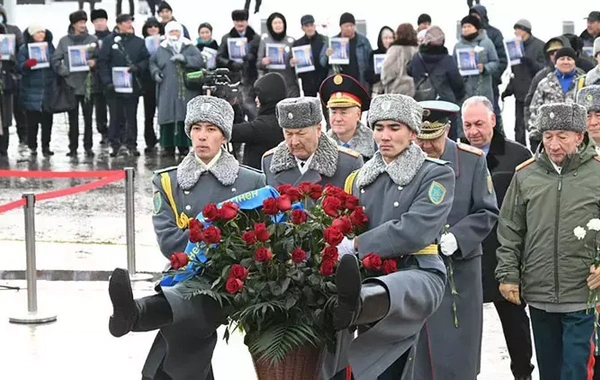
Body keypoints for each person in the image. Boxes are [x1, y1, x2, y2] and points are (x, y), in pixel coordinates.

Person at [108, 96, 266, 380]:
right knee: (187, 318)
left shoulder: (250, 181)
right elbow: (169, 243)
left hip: (232, 279)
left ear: (225, 136)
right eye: (196, 128)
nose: (202, 136)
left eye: (211, 129)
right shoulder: (169, 181)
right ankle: (135, 316)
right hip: (183, 274)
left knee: (191, 302)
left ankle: (136, 313)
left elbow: (256, 238)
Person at [334, 94, 456, 379]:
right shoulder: (358, 179)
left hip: (417, 271)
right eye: (379, 128)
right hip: (369, 271)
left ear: (413, 132)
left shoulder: (435, 174)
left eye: (394, 127)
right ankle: (353, 302)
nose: (384, 136)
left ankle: (356, 302)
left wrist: (356, 245)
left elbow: (414, 231)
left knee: (390, 288)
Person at [496, 102, 600, 380]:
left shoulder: (597, 173)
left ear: (580, 136)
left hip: (583, 296)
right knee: (550, 371)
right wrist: (508, 274)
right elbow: (510, 229)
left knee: (576, 370)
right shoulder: (526, 174)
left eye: (562, 136)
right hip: (539, 294)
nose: (554, 144)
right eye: (547, 136)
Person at [413, 100, 499, 380]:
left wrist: (459, 237)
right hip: (420, 270)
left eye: (433, 139)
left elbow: (487, 210)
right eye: (421, 139)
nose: (426, 146)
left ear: (447, 130)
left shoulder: (472, 160)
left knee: (457, 353)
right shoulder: (410, 160)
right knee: (422, 358)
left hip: (459, 272)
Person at [461, 96, 534, 380]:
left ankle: (523, 373)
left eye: (479, 123)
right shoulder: (456, 154)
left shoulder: (518, 155)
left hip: (507, 253)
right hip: (469, 251)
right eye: (467, 125)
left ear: (493, 120)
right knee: (465, 326)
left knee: (515, 321)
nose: (473, 131)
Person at [262, 96, 363, 189]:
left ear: (318, 129)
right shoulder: (269, 162)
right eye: (288, 134)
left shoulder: (348, 163)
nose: (295, 142)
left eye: (301, 134)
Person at [97, 13, 150, 158]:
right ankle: (115, 144)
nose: (129, 25)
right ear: (119, 24)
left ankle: (131, 144)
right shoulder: (109, 41)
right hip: (113, 87)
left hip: (132, 86)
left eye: (130, 22)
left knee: (131, 116)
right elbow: (102, 62)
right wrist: (107, 81)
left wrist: (138, 67)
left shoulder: (139, 41)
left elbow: (146, 59)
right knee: (115, 116)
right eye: (126, 22)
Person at [150, 21, 203, 158]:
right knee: (167, 114)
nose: (174, 34)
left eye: (176, 31)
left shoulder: (189, 46)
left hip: (186, 88)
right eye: (171, 32)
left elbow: (199, 60)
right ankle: (168, 146)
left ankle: (184, 145)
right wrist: (155, 72)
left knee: (184, 115)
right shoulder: (162, 48)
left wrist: (185, 59)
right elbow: (153, 63)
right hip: (167, 87)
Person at [52, 10, 99, 158]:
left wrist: (94, 63)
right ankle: (73, 147)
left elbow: (101, 58)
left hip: (87, 85)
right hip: (70, 85)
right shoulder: (64, 41)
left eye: (84, 22)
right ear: (73, 24)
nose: (82, 25)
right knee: (73, 119)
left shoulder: (92, 39)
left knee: (88, 118)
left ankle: (88, 146)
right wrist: (63, 70)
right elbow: (55, 59)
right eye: (80, 22)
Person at [408, 26, 465, 140]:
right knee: (447, 139)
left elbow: (409, 71)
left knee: (422, 138)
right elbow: (458, 83)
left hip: (422, 104)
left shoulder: (417, 58)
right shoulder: (448, 60)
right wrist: (458, 96)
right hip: (445, 106)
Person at [528, 47, 586, 150]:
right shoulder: (544, 83)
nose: (565, 62)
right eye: (562, 59)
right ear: (555, 63)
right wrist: (535, 136)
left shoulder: (583, 82)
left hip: (577, 140)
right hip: (550, 141)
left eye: (569, 59)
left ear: (574, 62)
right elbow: (534, 110)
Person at [501, 19, 546, 146]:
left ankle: (537, 151)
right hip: (520, 94)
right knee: (518, 128)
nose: (516, 32)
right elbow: (515, 71)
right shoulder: (514, 47)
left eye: (518, 29)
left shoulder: (539, 46)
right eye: (515, 30)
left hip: (535, 94)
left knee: (535, 126)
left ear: (526, 31)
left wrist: (531, 63)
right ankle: (521, 153)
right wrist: (509, 89)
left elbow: (545, 69)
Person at [230, 72, 286, 170]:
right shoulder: (278, 118)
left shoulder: (266, 125)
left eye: (258, 95)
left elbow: (232, 132)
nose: (256, 100)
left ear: (267, 97)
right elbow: (245, 128)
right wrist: (235, 105)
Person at [17, 24, 55, 157]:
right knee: (32, 121)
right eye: (38, 32)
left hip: (47, 89)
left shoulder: (49, 47)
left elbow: (55, 62)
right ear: (32, 34)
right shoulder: (24, 49)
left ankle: (46, 145)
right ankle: (32, 146)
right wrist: (27, 65)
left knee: (47, 121)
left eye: (42, 32)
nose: (41, 35)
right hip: (31, 89)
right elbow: (19, 67)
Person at [469, 5, 508, 133]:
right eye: (472, 16)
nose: (474, 18)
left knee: (492, 112)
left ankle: (499, 140)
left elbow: (502, 60)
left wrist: (491, 75)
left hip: (490, 83)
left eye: (476, 15)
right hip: (471, 84)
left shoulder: (494, 34)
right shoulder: (466, 36)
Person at [319, 73, 375, 161]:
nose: (338, 119)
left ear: (358, 115)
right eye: (333, 112)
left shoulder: (375, 145)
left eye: (343, 112)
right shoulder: (320, 147)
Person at [217, 9, 260, 121]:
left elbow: (260, 56)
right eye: (237, 21)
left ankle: (253, 136)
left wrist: (252, 57)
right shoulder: (226, 38)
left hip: (250, 79)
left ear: (247, 21)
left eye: (242, 21)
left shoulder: (255, 38)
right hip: (233, 79)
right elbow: (220, 57)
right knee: (234, 110)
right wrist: (230, 64)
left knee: (251, 110)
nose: (240, 24)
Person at [453, 15, 499, 111]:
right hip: (465, 90)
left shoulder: (486, 43)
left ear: (476, 28)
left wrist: (485, 68)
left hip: (483, 88)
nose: (466, 29)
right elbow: (453, 65)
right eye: (464, 27)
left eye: (469, 26)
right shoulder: (458, 46)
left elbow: (495, 61)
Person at [320, 12, 372, 90]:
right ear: (341, 27)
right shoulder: (332, 42)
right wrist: (327, 55)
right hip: (338, 84)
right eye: (346, 26)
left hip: (359, 83)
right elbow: (322, 63)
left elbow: (370, 61)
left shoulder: (363, 41)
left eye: (351, 26)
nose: (349, 28)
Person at [257, 12, 300, 97]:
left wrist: (293, 63)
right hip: (271, 84)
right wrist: (263, 62)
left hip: (289, 85)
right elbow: (258, 64)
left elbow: (297, 66)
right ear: (270, 25)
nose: (278, 25)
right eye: (275, 23)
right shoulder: (265, 41)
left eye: (280, 23)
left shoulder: (291, 41)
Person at [292, 14, 329, 97]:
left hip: (323, 79)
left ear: (315, 26)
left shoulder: (324, 40)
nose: (309, 28)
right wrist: (294, 62)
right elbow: (294, 65)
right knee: (310, 106)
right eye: (306, 26)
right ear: (302, 28)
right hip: (307, 81)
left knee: (326, 106)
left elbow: (329, 61)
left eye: (311, 25)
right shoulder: (298, 43)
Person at [90, 9, 111, 145]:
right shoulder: (91, 39)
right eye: (96, 21)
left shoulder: (113, 37)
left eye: (102, 20)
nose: (100, 23)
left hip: (112, 77)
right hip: (96, 79)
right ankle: (103, 131)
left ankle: (117, 131)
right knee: (100, 107)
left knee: (115, 107)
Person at [141, 17, 161, 154]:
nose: (153, 28)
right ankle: (150, 140)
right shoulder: (142, 44)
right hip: (148, 82)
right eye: (150, 27)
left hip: (163, 81)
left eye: (155, 26)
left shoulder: (166, 42)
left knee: (164, 112)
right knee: (149, 113)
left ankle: (165, 139)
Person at [381, 23, 418, 96]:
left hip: (398, 91)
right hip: (416, 91)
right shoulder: (418, 50)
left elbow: (388, 73)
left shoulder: (395, 50)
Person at [365, 26, 393, 95]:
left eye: (391, 38)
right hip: (378, 92)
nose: (388, 41)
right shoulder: (374, 54)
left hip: (393, 91)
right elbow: (368, 76)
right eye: (385, 38)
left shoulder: (397, 53)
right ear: (381, 39)